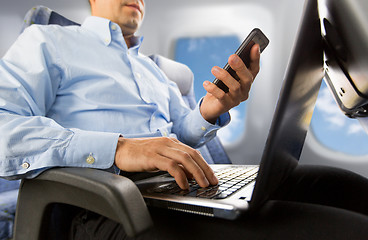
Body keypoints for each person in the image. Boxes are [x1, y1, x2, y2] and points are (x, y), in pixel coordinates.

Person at [0, 0, 260, 238]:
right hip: (101, 202)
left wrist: (210, 110)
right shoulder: (48, 40)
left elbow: (181, 131)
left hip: (175, 190)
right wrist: (118, 148)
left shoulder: (155, 71)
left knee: (286, 204)